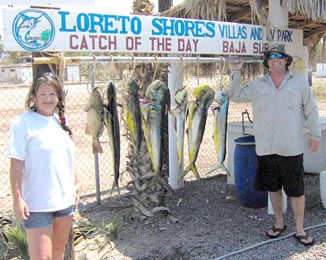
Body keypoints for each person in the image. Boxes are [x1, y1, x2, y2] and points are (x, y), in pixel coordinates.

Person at [228, 44, 320, 246]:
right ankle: (279, 223)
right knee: (274, 188)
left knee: (296, 190)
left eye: (279, 57)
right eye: (271, 57)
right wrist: (235, 72)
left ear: (286, 60)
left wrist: (315, 135)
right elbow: (235, 96)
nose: (275, 60)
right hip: (266, 148)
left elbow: (311, 110)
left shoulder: (299, 83)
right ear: (267, 62)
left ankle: (299, 228)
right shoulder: (257, 85)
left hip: (291, 148)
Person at [8, 72, 82, 259]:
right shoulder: (22, 123)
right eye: (43, 94)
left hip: (64, 202)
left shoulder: (60, 123)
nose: (48, 99)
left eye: (52, 94)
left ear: (58, 97)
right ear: (34, 97)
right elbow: (16, 163)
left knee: (58, 252)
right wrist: (17, 199)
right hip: (37, 204)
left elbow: (68, 157)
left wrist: (77, 183)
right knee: (43, 257)